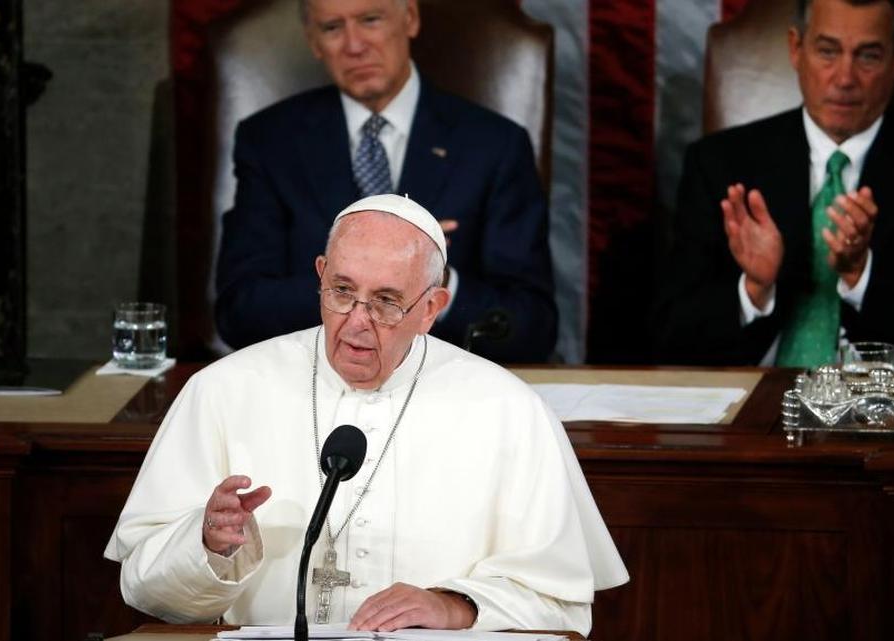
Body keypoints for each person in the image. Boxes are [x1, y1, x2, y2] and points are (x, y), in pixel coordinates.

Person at [104, 194, 628, 634]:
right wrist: (206, 544)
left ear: (431, 308)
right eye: (342, 292)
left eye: (386, 302)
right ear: (320, 275)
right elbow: (145, 589)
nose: (356, 322)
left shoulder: (508, 410)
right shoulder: (224, 389)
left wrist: (454, 605)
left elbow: (563, 605)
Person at [653, 0, 894, 373]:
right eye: (827, 51)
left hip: (883, 415)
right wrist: (754, 289)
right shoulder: (720, 164)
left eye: (867, 56)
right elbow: (671, 336)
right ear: (795, 48)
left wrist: (861, 276)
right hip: (751, 409)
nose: (845, 78)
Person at [214, 0, 556, 364]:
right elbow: (239, 312)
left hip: (445, 388)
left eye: (370, 20)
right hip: (310, 384)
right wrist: (353, 283)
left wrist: (434, 285)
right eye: (332, 28)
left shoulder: (494, 145)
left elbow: (533, 328)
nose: (355, 45)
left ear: (410, 18)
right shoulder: (270, 141)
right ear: (313, 41)